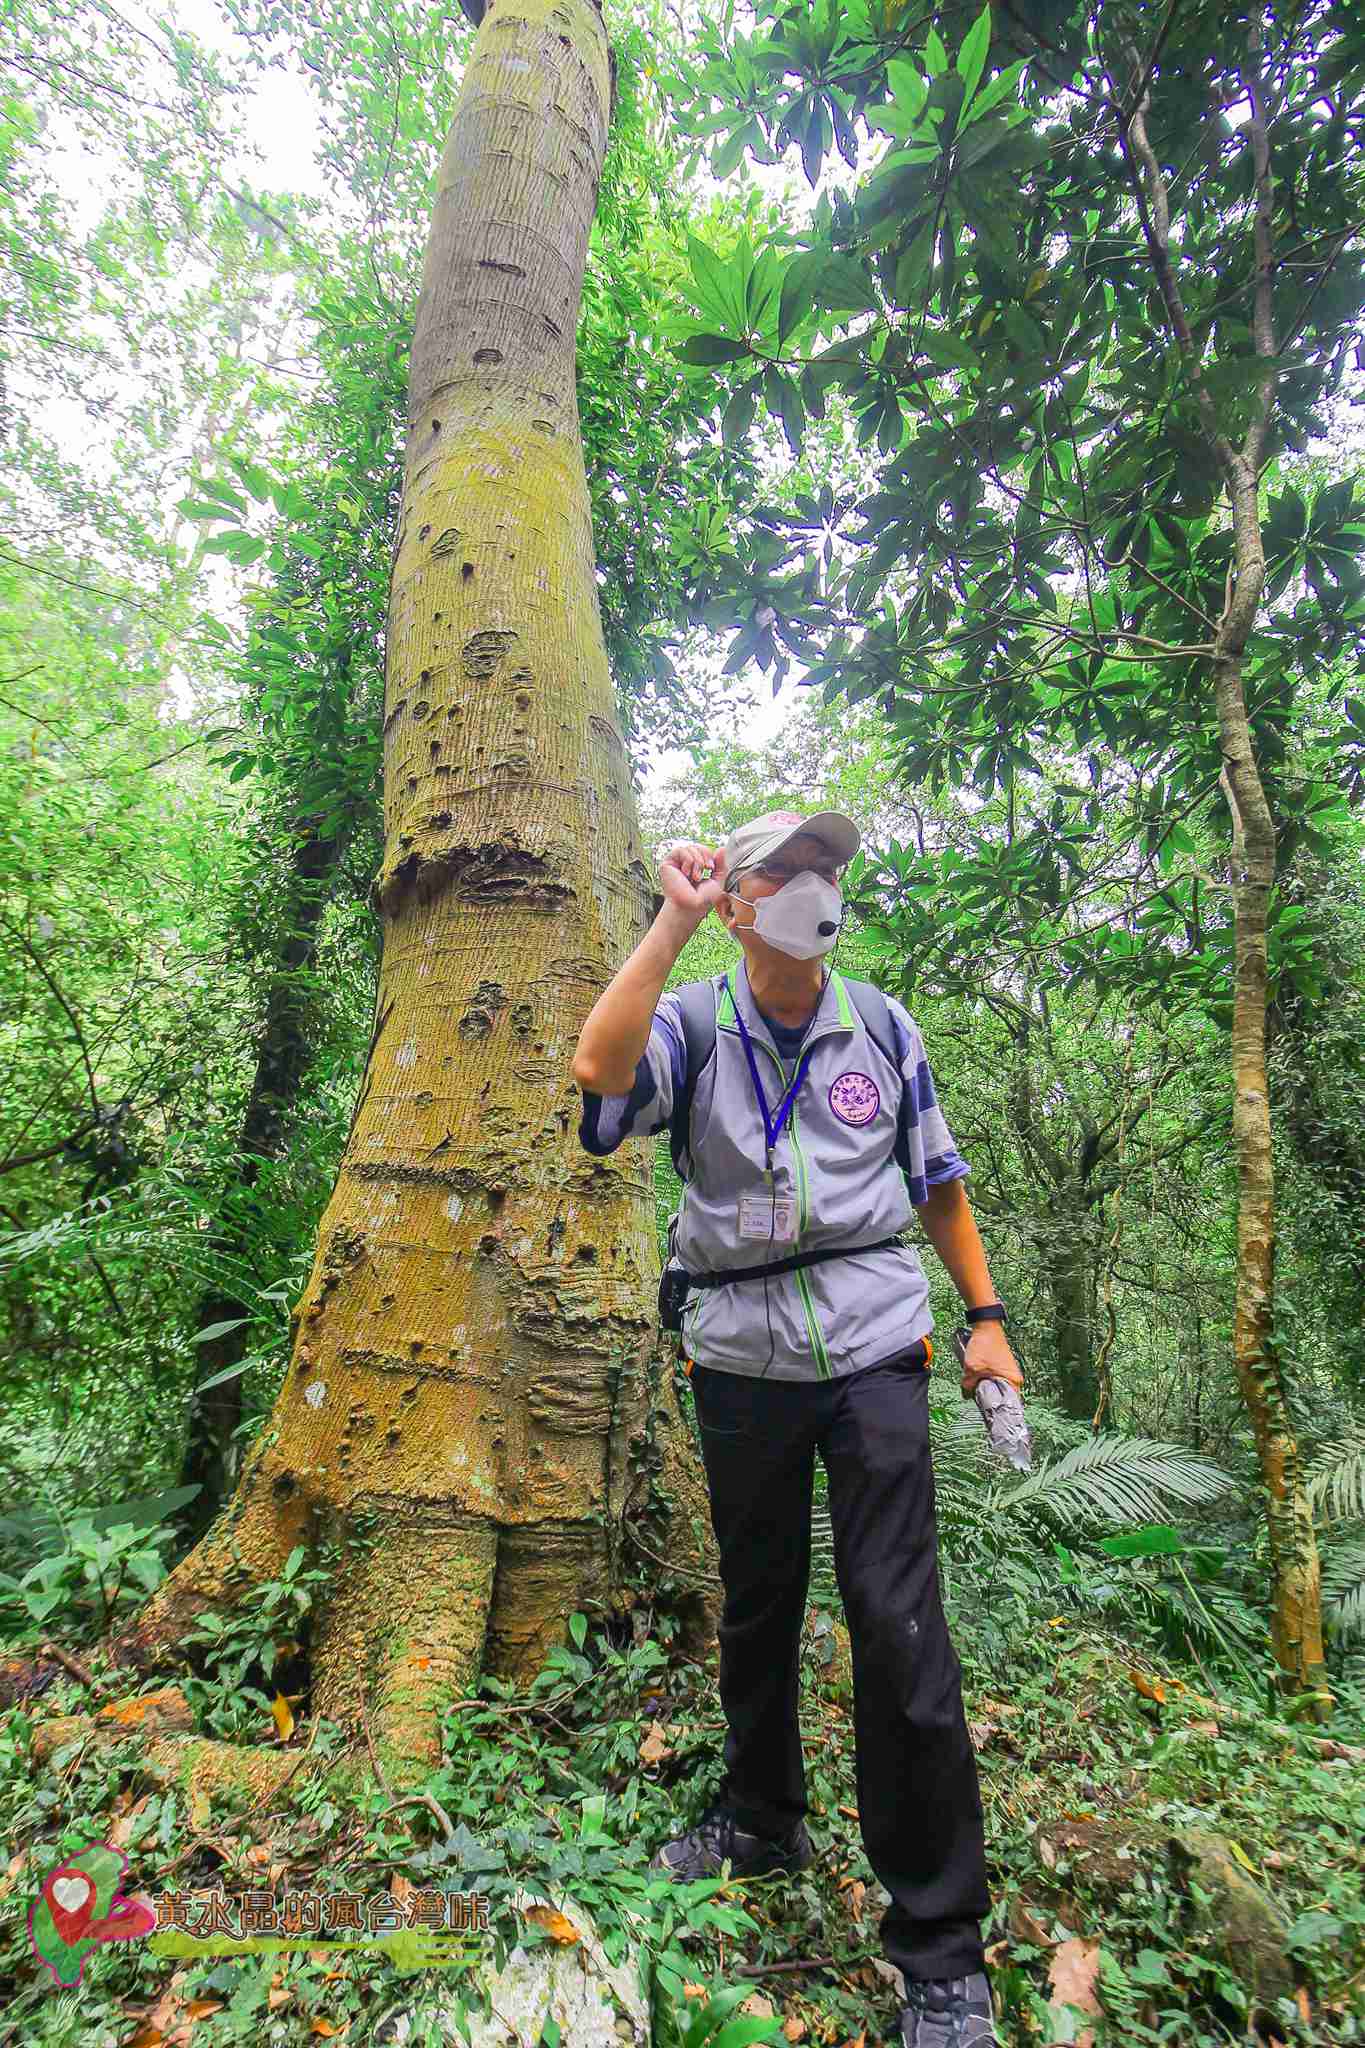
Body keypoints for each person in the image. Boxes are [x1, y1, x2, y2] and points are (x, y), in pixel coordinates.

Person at [571, 809, 1024, 2048]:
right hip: (741, 1356)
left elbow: (938, 1178)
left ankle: (940, 1951)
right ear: (739, 901)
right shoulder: (700, 1022)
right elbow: (600, 1075)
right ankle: (763, 1817)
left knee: (897, 1616)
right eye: (788, 869)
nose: (816, 886)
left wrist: (984, 1316)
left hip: (876, 1342)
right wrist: (668, 918)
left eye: (829, 868)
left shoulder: (881, 1025)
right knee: (761, 1596)